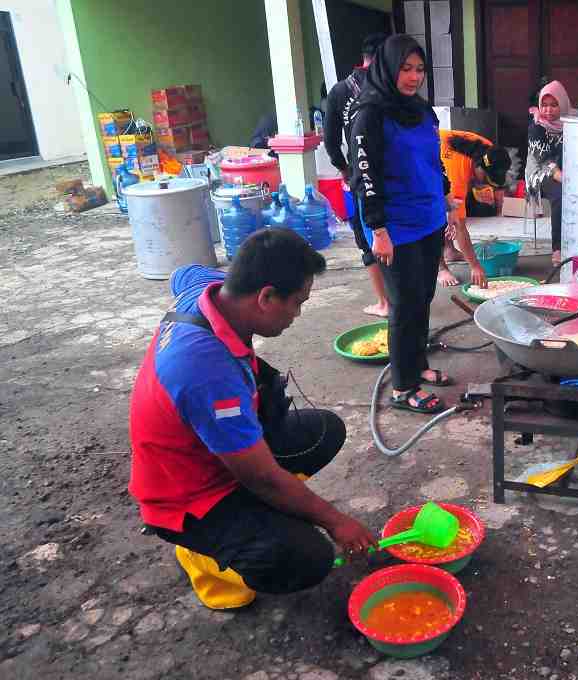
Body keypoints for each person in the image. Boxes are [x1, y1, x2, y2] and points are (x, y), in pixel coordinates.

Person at [128, 229, 376, 609]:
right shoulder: (206, 371)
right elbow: (260, 477)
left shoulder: (209, 288)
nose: (298, 313)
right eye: (297, 302)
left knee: (323, 431)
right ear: (265, 297)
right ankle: (206, 555)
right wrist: (336, 521)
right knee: (308, 557)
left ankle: (263, 514)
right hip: (188, 495)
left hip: (215, 450)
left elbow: (183, 273)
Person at [348, 34, 454, 415]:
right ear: (388, 68)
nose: (413, 78)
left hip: (427, 217)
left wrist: (446, 196)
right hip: (394, 226)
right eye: (406, 69)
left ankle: (417, 365)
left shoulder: (422, 111)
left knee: (422, 297)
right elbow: (365, 177)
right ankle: (402, 387)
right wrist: (378, 230)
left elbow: (433, 159)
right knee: (403, 304)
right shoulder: (369, 115)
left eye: (420, 70)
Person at [324, 32, 390, 317]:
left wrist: (345, 169)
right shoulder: (391, 86)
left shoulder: (340, 91)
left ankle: (385, 303)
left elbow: (330, 139)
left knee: (369, 239)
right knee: (395, 234)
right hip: (394, 175)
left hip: (362, 177)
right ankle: (399, 300)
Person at [436, 130, 511, 286]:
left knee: (451, 215)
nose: (486, 183)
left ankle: (449, 251)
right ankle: (440, 267)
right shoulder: (457, 175)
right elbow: (459, 225)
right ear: (478, 167)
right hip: (427, 157)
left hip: (447, 155)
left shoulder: (489, 152)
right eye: (485, 178)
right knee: (436, 215)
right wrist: (475, 266)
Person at [527, 80, 572, 268]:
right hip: (540, 173)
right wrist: (565, 178)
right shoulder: (537, 127)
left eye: (554, 105)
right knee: (561, 193)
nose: (548, 110)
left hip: (566, 172)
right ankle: (557, 248)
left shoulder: (572, 123)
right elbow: (544, 160)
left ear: (562, 104)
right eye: (544, 105)